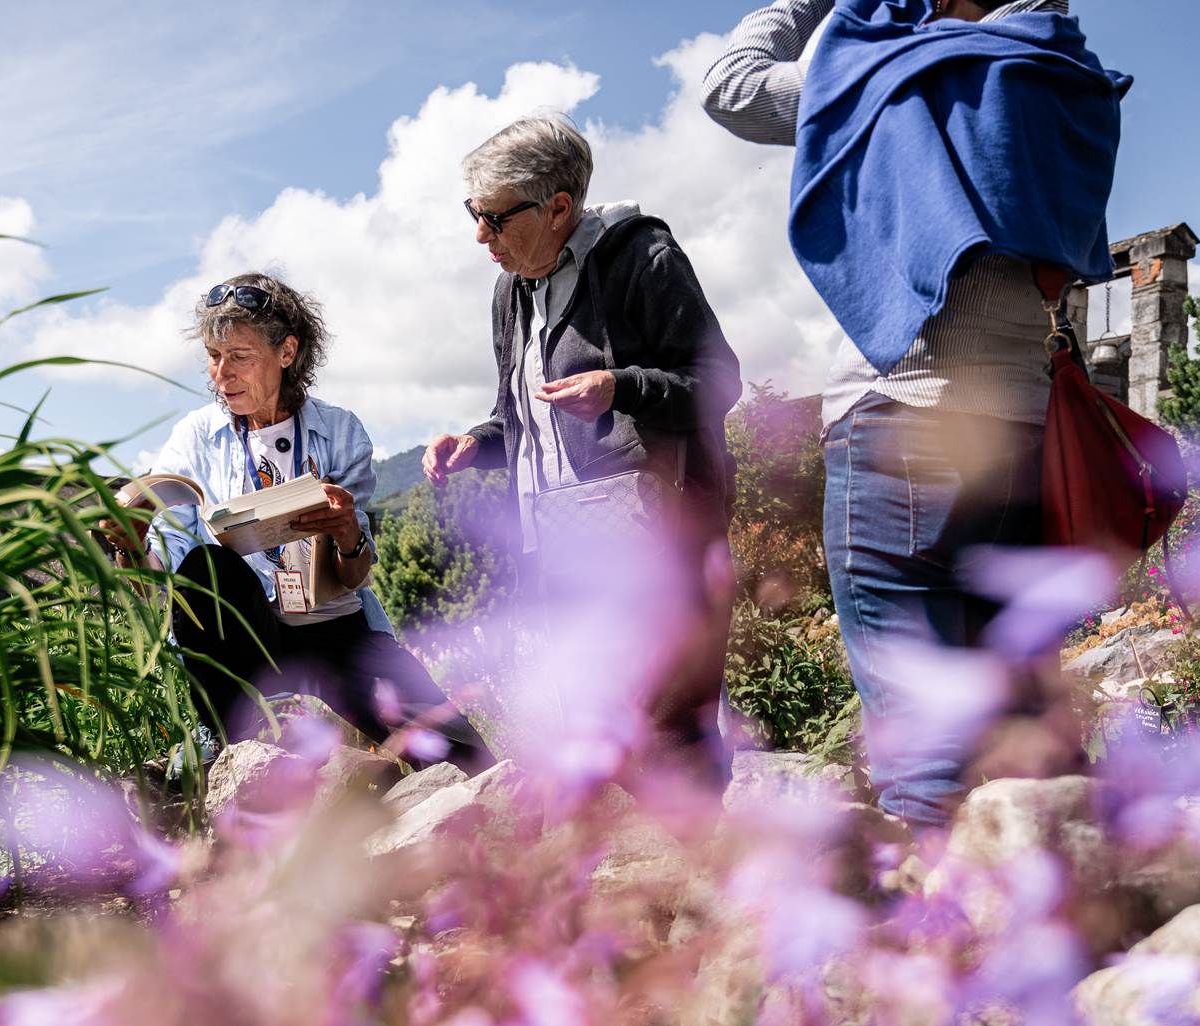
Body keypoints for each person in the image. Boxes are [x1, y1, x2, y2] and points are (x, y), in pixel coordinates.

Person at [702, 0, 1129, 826]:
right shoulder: (1068, 77)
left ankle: (944, 939)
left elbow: (733, 88)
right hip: (1032, 438)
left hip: (901, 425)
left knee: (924, 750)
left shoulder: (895, 73)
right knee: (1021, 729)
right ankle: (1059, 928)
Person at [420, 116, 743, 778]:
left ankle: (704, 873)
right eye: (473, 215)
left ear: (558, 206)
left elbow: (719, 381)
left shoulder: (644, 258)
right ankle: (635, 880)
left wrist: (620, 387)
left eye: (494, 218)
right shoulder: (509, 290)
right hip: (560, 545)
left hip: (655, 538)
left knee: (667, 726)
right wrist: (472, 444)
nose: (480, 235)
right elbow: (520, 417)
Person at [110, 273, 494, 771]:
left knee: (468, 760)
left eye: (239, 357)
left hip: (334, 627)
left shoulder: (339, 431)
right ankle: (224, 735)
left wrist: (347, 531)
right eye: (213, 355)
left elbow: (357, 576)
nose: (221, 374)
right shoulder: (195, 437)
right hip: (245, 638)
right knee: (207, 567)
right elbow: (165, 593)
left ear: (287, 353)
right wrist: (129, 546)